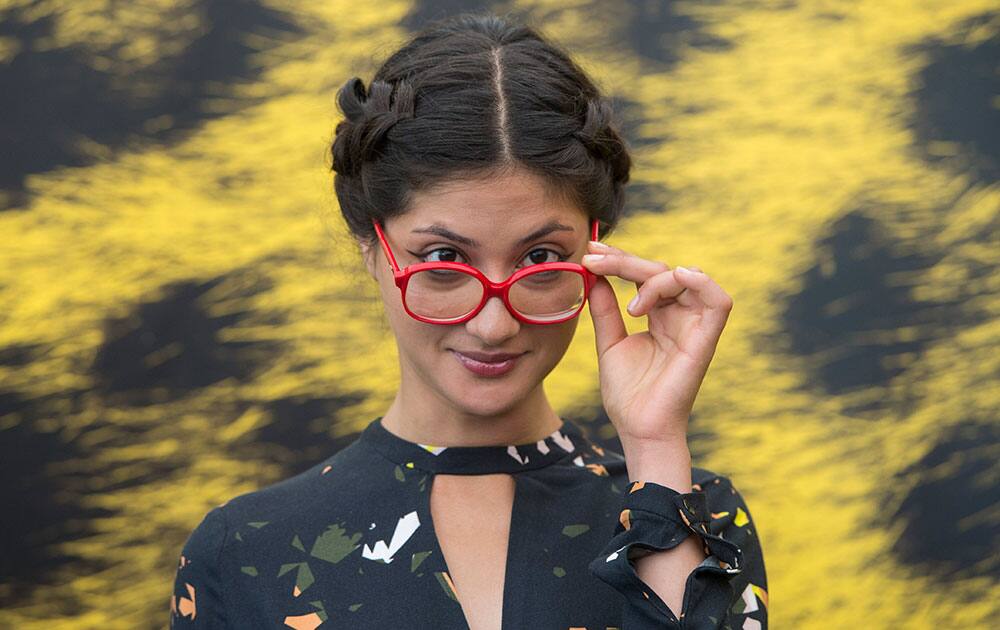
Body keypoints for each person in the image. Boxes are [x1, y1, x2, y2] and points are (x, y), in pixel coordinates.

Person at [169, 11, 767, 630]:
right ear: (372, 249)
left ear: (596, 256)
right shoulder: (243, 549)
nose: (492, 325)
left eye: (540, 258)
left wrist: (654, 448)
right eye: (444, 258)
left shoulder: (696, 516)